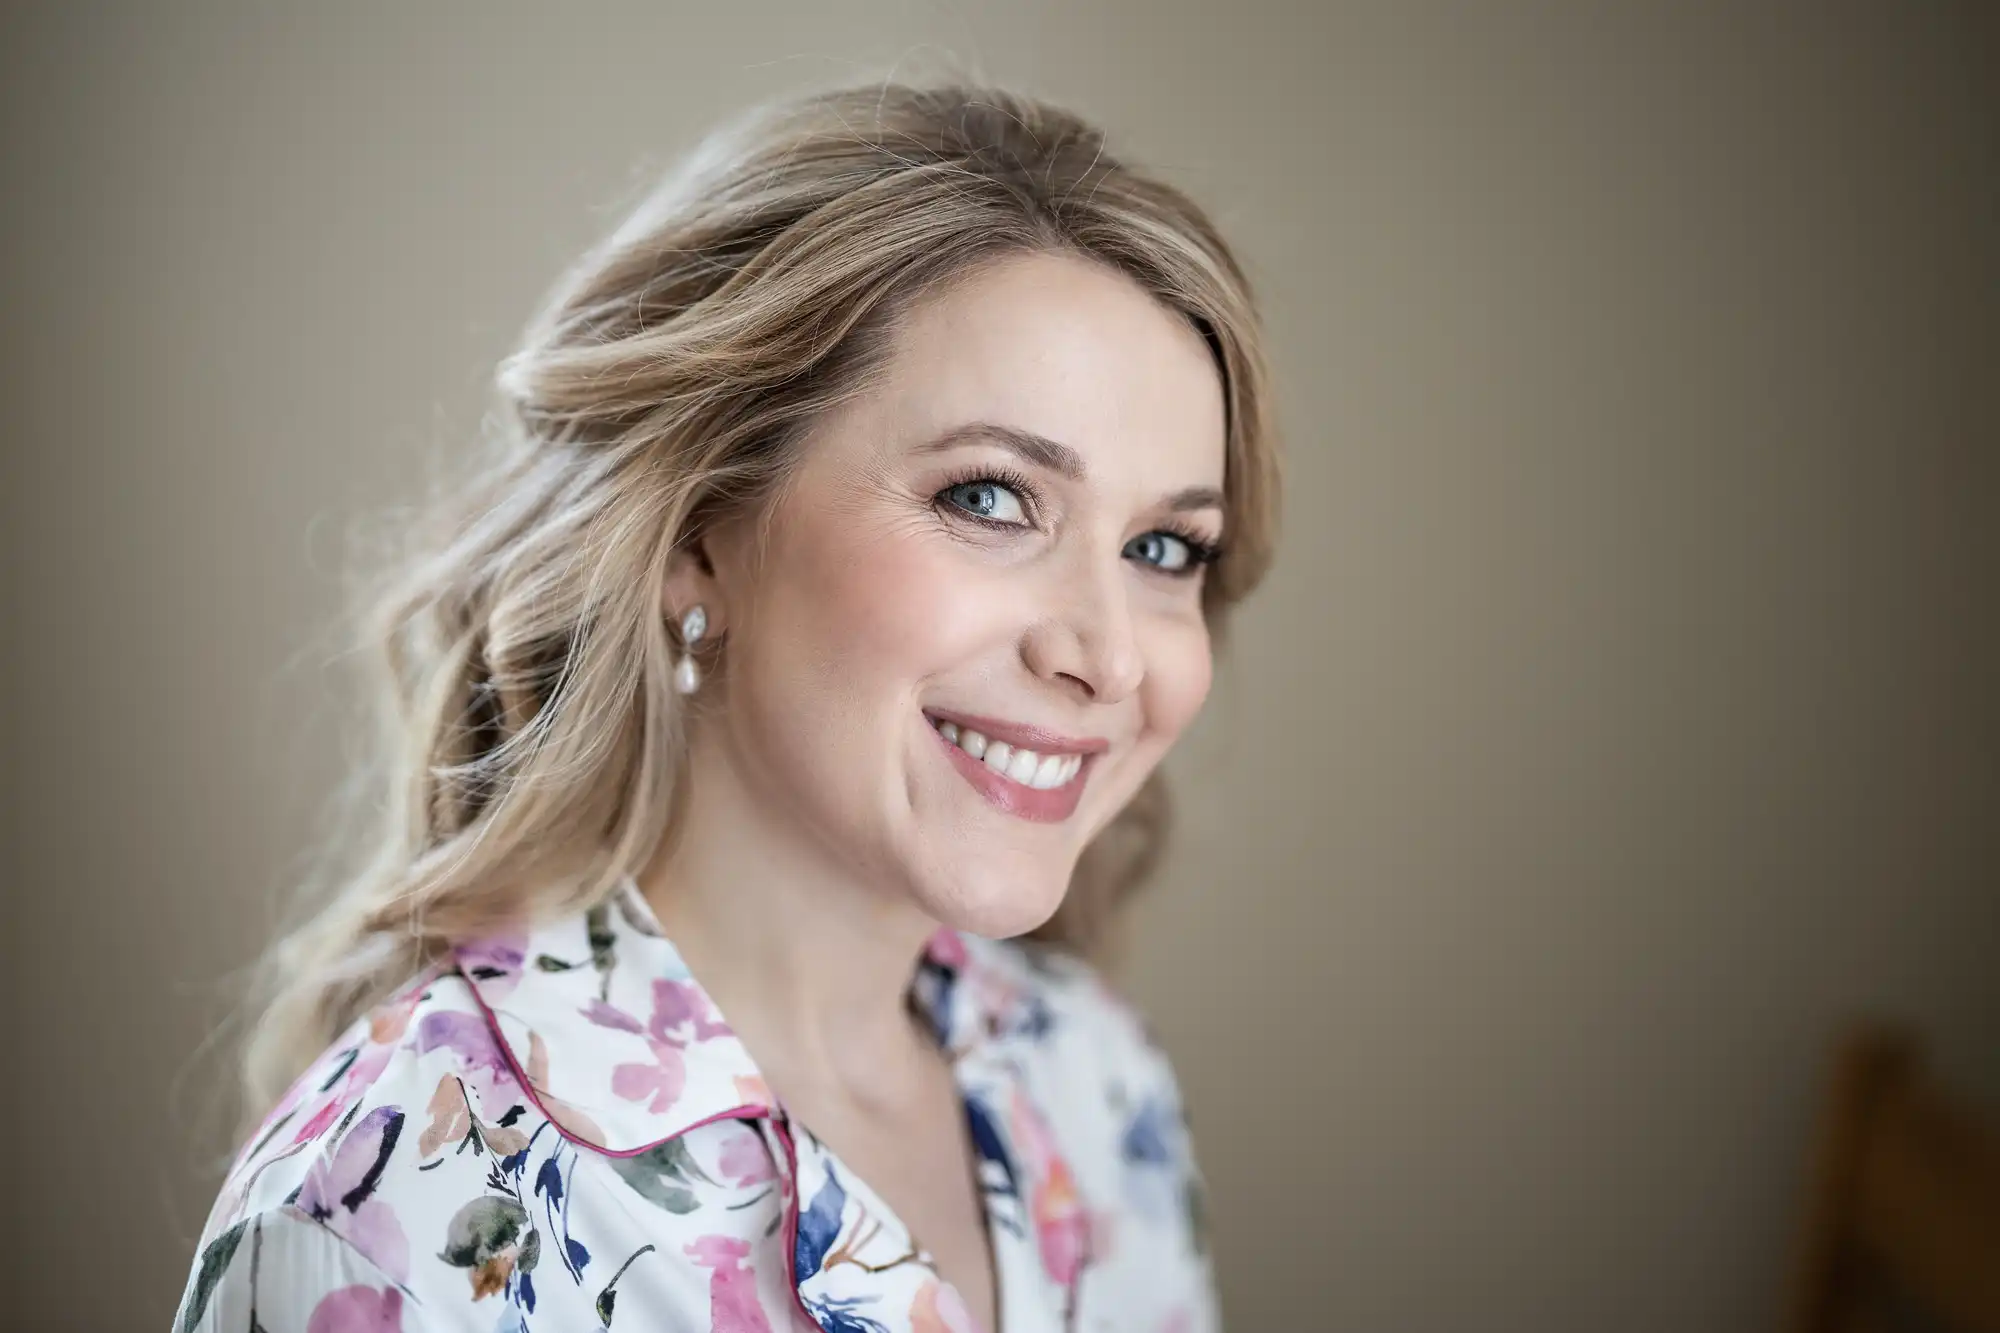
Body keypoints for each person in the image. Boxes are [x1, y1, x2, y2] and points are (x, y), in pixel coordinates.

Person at [172, 79, 1282, 1333]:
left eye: (1163, 549)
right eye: (988, 498)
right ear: (698, 537)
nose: (1109, 658)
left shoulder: (1091, 1083)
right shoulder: (391, 1217)